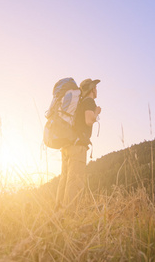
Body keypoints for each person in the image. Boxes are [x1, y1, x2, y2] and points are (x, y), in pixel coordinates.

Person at [55, 78, 101, 210]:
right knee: (75, 181)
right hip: (78, 147)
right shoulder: (89, 101)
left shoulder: (79, 103)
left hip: (67, 145)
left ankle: (58, 213)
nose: (96, 90)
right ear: (92, 89)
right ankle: (69, 215)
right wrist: (97, 111)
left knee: (65, 179)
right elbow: (89, 120)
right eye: (95, 87)